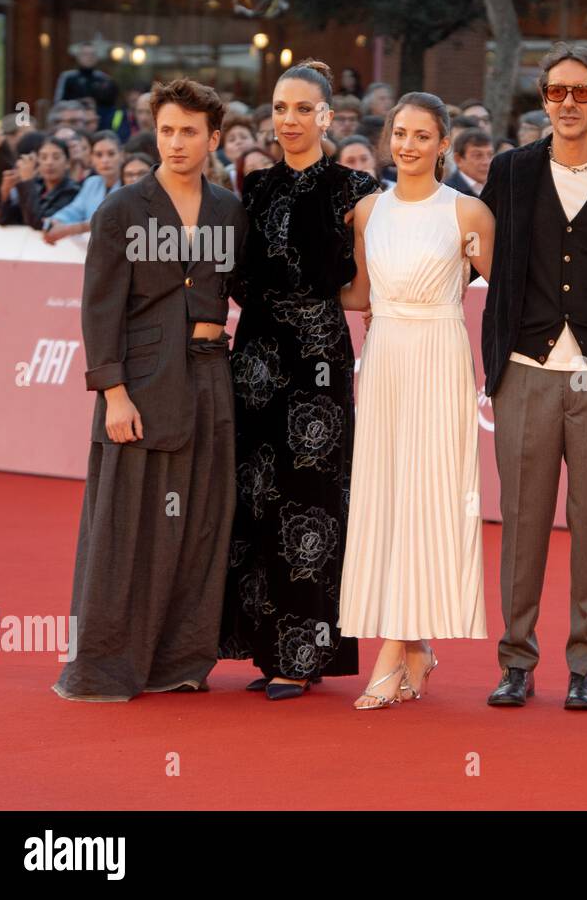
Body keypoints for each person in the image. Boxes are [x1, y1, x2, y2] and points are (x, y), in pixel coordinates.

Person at [53, 77, 246, 701]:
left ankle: (179, 662)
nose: (176, 142)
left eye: (190, 131)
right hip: (138, 386)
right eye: (167, 130)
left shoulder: (228, 209)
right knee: (126, 530)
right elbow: (99, 308)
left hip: (210, 380)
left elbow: (256, 291)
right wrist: (112, 393)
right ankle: (106, 667)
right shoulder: (121, 210)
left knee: (200, 525)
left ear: (213, 138)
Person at [480, 43, 587, 711]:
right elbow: (479, 257)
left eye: (583, 93)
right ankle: (516, 661)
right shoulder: (511, 172)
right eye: (557, 92)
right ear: (543, 99)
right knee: (521, 520)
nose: (570, 104)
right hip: (525, 370)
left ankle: (585, 664)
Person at [218, 59, 381, 700]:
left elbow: (363, 286)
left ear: (326, 117)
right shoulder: (252, 186)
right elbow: (234, 274)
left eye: (301, 109)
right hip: (255, 360)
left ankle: (302, 657)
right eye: (279, 108)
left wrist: (309, 306)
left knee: (309, 502)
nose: (288, 120)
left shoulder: (355, 188)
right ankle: (263, 650)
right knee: (256, 501)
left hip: (317, 367)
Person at [337, 93, 492, 709]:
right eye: (399, 133)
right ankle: (414, 647)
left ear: (444, 144)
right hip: (383, 361)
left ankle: (396, 647)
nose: (407, 145)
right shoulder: (367, 211)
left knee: (428, 498)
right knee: (386, 497)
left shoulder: (468, 214)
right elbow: (357, 294)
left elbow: (500, 292)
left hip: (440, 356)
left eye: (422, 136)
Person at [42, 130, 123, 242]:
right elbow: (74, 210)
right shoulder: (92, 183)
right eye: (98, 155)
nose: (105, 160)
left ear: (121, 155)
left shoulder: (131, 182)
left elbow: (111, 220)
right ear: (91, 158)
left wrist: (70, 229)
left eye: (111, 154)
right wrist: (54, 221)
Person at [0, 135, 79, 228]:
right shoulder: (36, 185)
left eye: (56, 157)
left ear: (67, 163)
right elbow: (2, 220)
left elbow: (38, 224)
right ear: (38, 162)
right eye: (43, 157)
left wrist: (27, 181)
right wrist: (5, 193)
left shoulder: (72, 191)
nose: (49, 163)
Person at [443, 128, 492, 196]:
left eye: (490, 155)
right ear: (458, 159)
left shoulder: (498, 187)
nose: (486, 162)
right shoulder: (448, 193)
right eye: (478, 155)